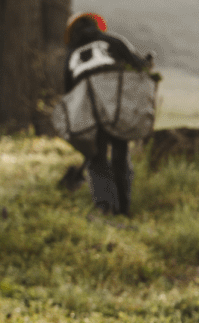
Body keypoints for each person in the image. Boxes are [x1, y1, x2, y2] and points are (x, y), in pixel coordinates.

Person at [63, 12, 153, 217]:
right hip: (117, 106)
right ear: (96, 25)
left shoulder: (70, 54)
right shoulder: (113, 41)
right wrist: (147, 64)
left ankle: (105, 208)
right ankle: (123, 209)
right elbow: (139, 66)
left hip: (89, 109)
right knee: (120, 155)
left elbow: (69, 93)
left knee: (97, 158)